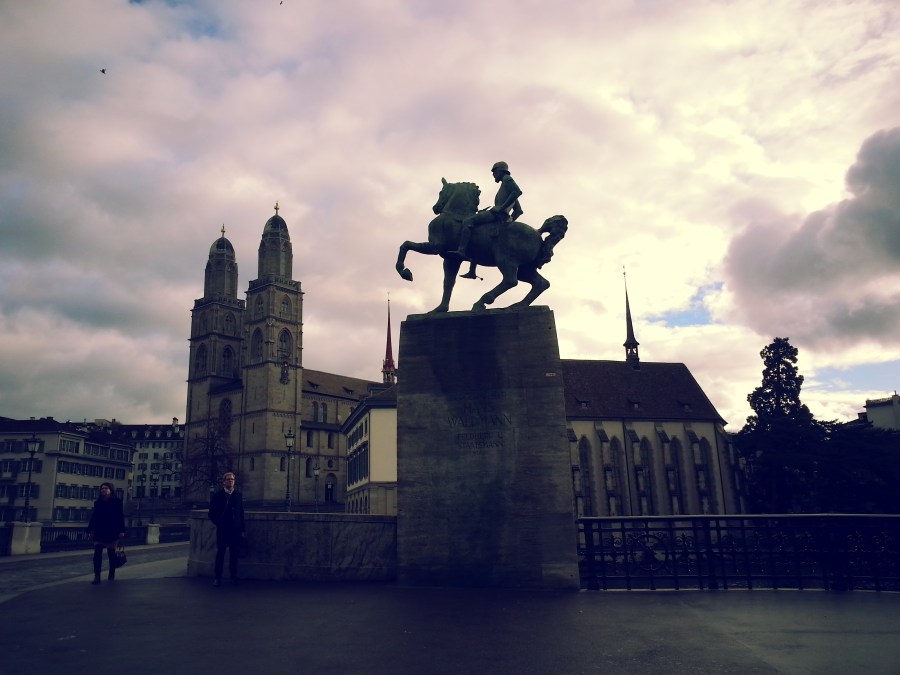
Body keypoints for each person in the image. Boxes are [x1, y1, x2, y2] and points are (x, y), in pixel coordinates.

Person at [454, 160, 524, 279]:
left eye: (494, 172)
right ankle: (472, 271)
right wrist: (509, 223)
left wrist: (501, 209)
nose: (493, 175)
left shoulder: (507, 179)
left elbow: (518, 191)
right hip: (500, 216)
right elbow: (519, 211)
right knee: (478, 230)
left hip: (495, 213)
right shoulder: (506, 189)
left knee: (468, 221)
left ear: (500, 171)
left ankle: (461, 251)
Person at [208, 471, 246, 586]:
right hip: (223, 530)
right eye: (228, 479)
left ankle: (233, 576)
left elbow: (241, 513)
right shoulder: (217, 496)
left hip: (235, 530)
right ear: (224, 482)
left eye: (232, 479)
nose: (230, 481)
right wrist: (220, 523)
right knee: (221, 554)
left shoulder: (238, 495)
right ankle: (217, 577)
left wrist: (243, 530)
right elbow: (211, 514)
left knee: (234, 555)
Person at [87, 482, 125, 584]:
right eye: (102, 488)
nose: (103, 490)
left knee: (111, 554)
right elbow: (94, 517)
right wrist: (89, 529)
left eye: (106, 488)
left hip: (112, 531)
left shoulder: (117, 502)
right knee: (97, 554)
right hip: (99, 531)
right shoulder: (98, 503)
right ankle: (97, 576)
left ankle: (111, 574)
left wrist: (122, 531)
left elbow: (120, 517)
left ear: (111, 490)